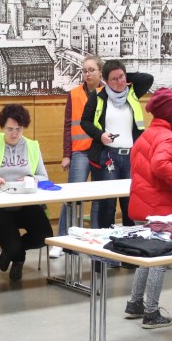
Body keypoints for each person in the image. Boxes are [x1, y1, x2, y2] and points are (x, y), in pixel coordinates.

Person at [124, 88, 172, 329]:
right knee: (160, 259)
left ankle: (135, 303)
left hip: (139, 205)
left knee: (145, 257)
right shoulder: (168, 138)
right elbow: (160, 165)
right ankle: (151, 312)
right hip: (158, 208)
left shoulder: (145, 135)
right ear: (170, 113)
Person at [0, 104, 52, 282]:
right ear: (2, 127)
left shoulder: (31, 146)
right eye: (10, 129)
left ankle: (11, 251)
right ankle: (17, 257)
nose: (14, 134)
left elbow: (43, 176)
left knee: (45, 236)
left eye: (18, 129)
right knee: (14, 248)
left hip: (25, 204)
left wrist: (31, 178)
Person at [80, 60, 154, 229]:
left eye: (121, 77)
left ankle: (130, 239)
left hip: (131, 157)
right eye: (114, 79)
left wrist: (124, 75)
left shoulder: (133, 92)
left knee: (130, 202)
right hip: (109, 156)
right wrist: (100, 135)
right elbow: (85, 122)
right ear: (106, 81)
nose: (119, 82)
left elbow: (147, 78)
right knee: (108, 204)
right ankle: (107, 240)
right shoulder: (98, 96)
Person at [51, 56, 106, 258]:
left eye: (91, 70)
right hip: (80, 151)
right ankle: (63, 240)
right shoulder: (74, 94)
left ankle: (96, 241)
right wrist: (67, 154)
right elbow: (68, 126)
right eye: (84, 70)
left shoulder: (108, 92)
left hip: (101, 151)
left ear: (101, 72)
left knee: (99, 198)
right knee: (72, 197)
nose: (87, 74)